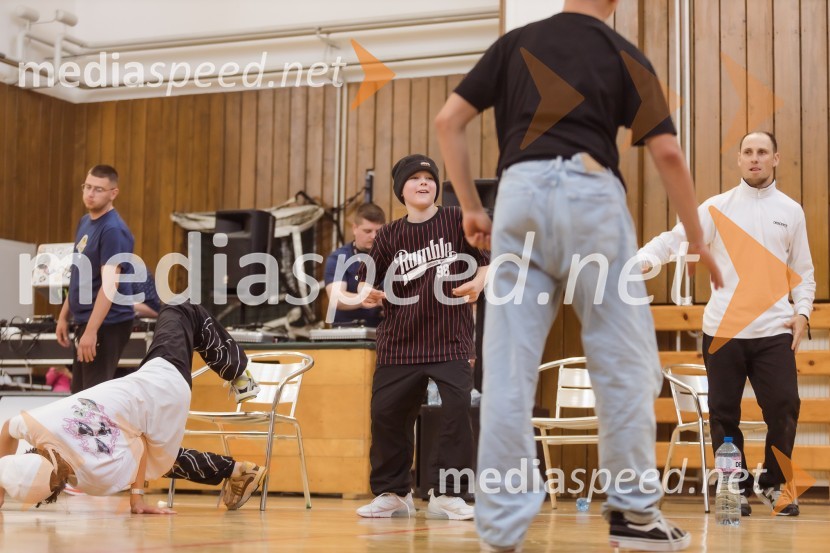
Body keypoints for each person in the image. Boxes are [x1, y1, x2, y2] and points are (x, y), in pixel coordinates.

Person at [435, 0, 722, 550]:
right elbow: (667, 152)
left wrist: (472, 207)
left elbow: (449, 121)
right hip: (591, 199)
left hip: (516, 199)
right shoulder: (622, 51)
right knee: (625, 363)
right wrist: (697, 238)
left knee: (508, 371)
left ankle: (499, 532)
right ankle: (635, 518)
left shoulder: (515, 42)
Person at [638, 131, 815, 517]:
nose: (755, 158)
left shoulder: (791, 211)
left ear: (775, 158)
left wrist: (803, 312)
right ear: (739, 160)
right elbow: (674, 239)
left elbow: (804, 272)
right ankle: (732, 488)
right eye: (748, 152)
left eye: (762, 152)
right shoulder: (716, 207)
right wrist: (646, 259)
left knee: (785, 407)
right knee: (724, 415)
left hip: (773, 332)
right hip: (723, 332)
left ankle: (772, 484)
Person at [0, 301, 263, 513]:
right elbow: (7, 429)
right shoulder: (41, 425)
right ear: (31, 453)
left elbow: (140, 453)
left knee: (160, 461)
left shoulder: (94, 481)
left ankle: (238, 470)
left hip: (159, 396)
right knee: (179, 309)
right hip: (160, 384)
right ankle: (239, 373)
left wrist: (136, 501)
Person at [354, 154, 489, 520]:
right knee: (386, 416)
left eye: (428, 177)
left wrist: (478, 281)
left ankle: (449, 494)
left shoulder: (457, 220)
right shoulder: (388, 235)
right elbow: (367, 276)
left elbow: (491, 261)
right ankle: (393, 493)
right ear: (402, 190)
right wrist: (367, 290)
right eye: (414, 178)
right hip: (399, 341)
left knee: (456, 413)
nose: (423, 182)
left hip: (449, 339)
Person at [56, 165, 136, 393]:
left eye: (98, 189)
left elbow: (109, 286)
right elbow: (79, 276)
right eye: (87, 187)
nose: (90, 194)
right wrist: (64, 316)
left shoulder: (113, 230)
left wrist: (91, 331)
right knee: (78, 394)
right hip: (86, 322)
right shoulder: (85, 222)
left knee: (92, 399)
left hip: (108, 324)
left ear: (113, 193)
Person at [324, 203, 386, 327]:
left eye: (378, 231)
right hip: (346, 334)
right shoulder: (339, 258)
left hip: (385, 334)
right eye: (367, 231)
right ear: (354, 228)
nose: (374, 236)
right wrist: (368, 299)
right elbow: (337, 297)